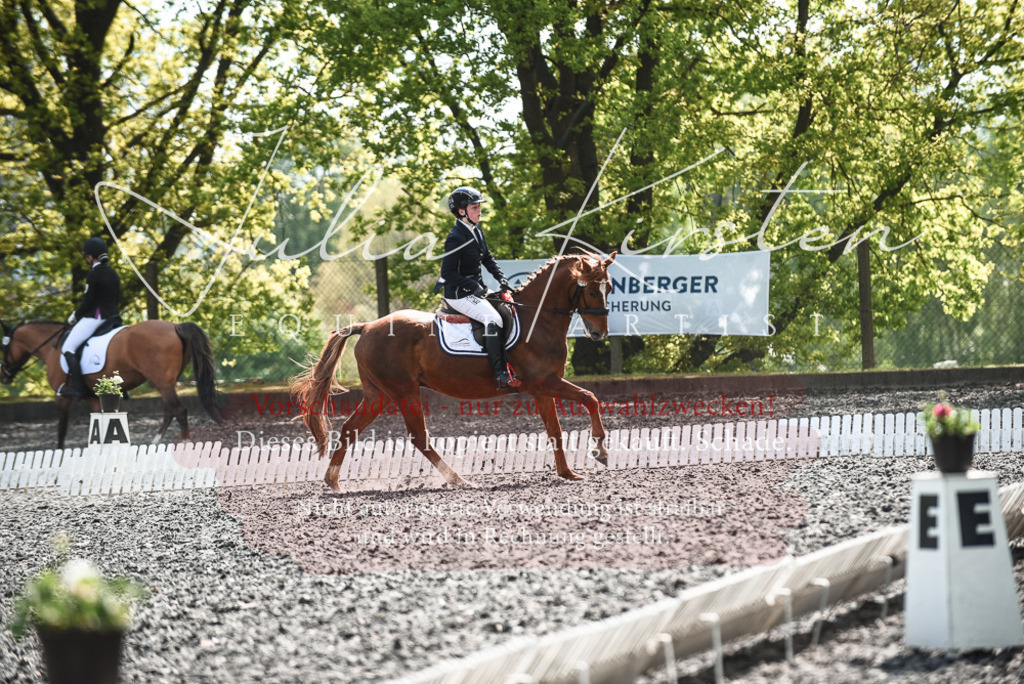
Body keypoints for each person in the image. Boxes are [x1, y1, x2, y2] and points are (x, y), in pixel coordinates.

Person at [435, 186, 515, 389]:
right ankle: (499, 374)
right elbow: (448, 273)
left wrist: (502, 278)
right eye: (474, 207)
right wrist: (473, 286)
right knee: (493, 318)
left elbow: (487, 258)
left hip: (475, 289)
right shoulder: (455, 237)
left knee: (508, 310)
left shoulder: (476, 229)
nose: (479, 211)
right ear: (462, 211)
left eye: (479, 206)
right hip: (458, 294)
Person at [60, 236, 121, 399]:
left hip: (96, 317)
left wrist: (75, 315)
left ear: (90, 257)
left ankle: (78, 388)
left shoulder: (94, 275)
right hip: (113, 317)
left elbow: (88, 302)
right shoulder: (114, 273)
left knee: (68, 348)